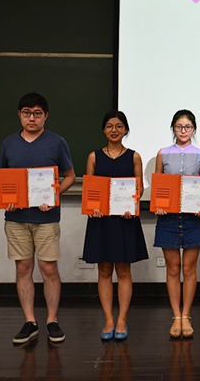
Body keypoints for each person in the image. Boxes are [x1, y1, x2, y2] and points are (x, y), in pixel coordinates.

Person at [0, 92, 76, 344]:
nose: (31, 118)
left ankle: (52, 320)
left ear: (45, 116)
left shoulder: (57, 142)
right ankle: (30, 321)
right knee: (23, 268)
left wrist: (54, 195)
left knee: (48, 268)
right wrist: (7, 198)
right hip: (16, 219)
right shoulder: (9, 143)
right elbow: (2, 180)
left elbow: (70, 176)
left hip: (47, 218)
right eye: (27, 113)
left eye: (37, 113)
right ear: (19, 115)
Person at [83, 110, 148, 340]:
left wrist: (133, 204)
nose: (114, 130)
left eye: (119, 126)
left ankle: (121, 320)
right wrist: (93, 206)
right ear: (103, 130)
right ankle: (108, 320)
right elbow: (90, 189)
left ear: (126, 130)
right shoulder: (93, 157)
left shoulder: (134, 157)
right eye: (109, 126)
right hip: (100, 221)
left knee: (123, 270)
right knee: (103, 270)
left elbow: (139, 188)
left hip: (125, 220)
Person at [153, 109, 200, 338]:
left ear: (193, 129)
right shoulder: (163, 153)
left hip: (192, 218)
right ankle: (176, 316)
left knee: (189, 269)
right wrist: (158, 204)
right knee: (173, 268)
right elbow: (158, 184)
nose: (183, 130)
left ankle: (186, 315)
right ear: (173, 128)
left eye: (187, 127)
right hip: (168, 218)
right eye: (179, 126)